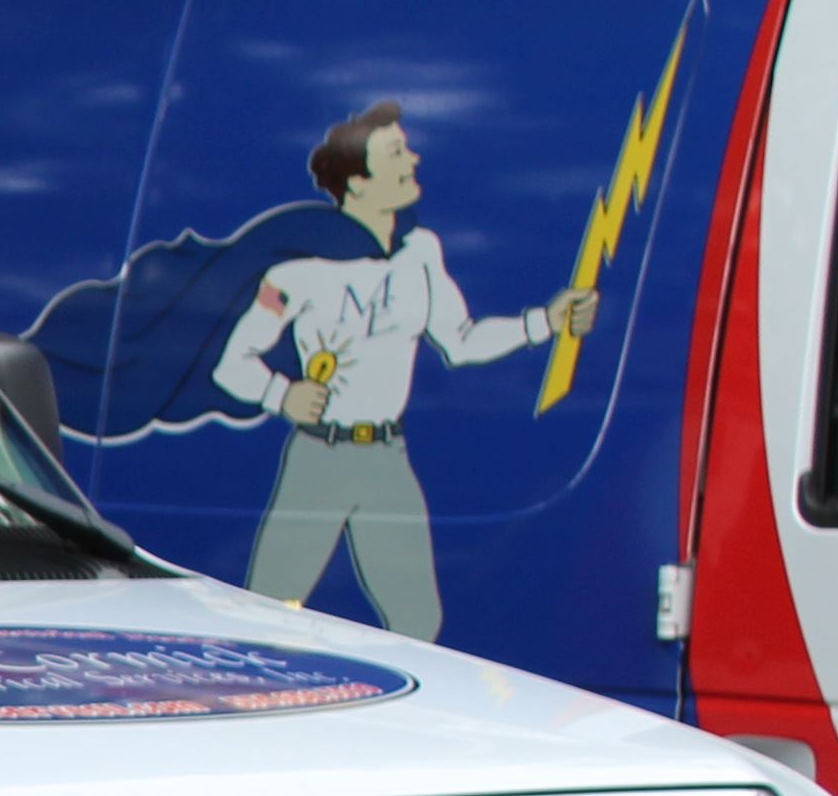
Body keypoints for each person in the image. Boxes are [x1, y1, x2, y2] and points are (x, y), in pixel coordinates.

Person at [211, 101, 594, 640]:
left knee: (418, 621)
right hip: (319, 460)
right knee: (263, 619)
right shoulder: (298, 268)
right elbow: (233, 365)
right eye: (396, 152)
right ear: (358, 183)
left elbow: (459, 342)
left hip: (386, 461)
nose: (414, 159)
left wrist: (543, 324)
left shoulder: (420, 253)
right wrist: (282, 395)